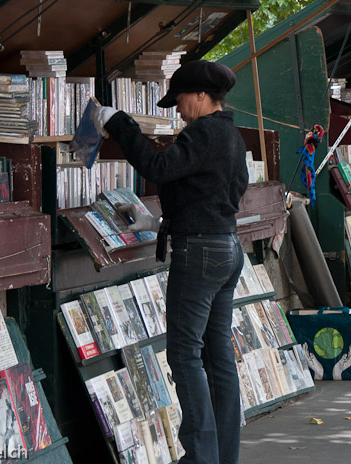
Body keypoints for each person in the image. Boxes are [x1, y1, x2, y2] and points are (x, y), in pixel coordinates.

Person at [94, 60, 248, 464]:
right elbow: (216, 194)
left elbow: (157, 166)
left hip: (199, 254)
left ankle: (201, 456)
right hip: (228, 248)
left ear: (200, 95)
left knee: (184, 354)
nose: (177, 109)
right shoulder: (232, 136)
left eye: (180, 99)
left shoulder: (203, 133)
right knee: (217, 354)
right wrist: (160, 221)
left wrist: (119, 123)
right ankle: (222, 455)